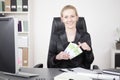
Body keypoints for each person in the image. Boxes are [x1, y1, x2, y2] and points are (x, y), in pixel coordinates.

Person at [47, 5, 94, 69]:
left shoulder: (85, 36)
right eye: (66, 17)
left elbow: (89, 62)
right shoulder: (55, 36)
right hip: (60, 73)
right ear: (62, 19)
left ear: (77, 18)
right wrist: (57, 57)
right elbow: (49, 63)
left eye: (72, 16)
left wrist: (89, 51)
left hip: (79, 74)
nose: (69, 20)